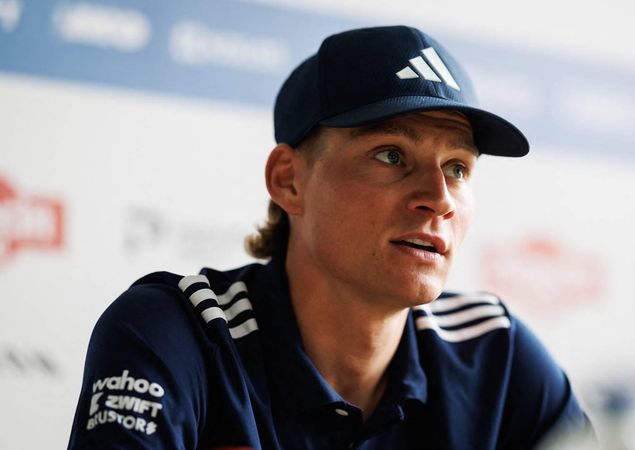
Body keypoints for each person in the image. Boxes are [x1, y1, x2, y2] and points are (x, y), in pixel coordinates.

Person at [68, 25, 590, 449]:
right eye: (391, 155)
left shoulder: (496, 354)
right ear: (289, 181)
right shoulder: (181, 333)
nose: (440, 197)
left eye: (457, 168)